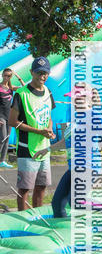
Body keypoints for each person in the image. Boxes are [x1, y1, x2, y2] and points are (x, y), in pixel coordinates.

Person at [48, 84, 102, 224]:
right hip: (74, 168)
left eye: (78, 99)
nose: (75, 102)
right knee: (57, 203)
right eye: (74, 99)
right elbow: (66, 142)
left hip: (88, 167)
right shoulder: (77, 118)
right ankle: (61, 230)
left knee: (77, 201)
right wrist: (47, 150)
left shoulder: (92, 114)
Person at [8, 56, 56, 211]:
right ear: (31, 72)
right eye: (39, 72)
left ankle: (37, 216)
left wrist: (49, 129)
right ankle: (23, 219)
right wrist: (38, 131)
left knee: (41, 186)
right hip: (26, 148)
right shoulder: (21, 94)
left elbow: (49, 117)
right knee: (24, 188)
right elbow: (12, 121)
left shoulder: (48, 92)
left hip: (44, 149)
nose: (42, 76)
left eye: (45, 73)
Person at [0, 67, 25, 167]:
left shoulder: (11, 87)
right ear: (2, 75)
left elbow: (24, 87)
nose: (6, 77)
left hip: (9, 116)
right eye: (5, 75)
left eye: (9, 76)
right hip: (1, 115)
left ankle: (2, 161)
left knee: (7, 138)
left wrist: (18, 77)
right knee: (2, 138)